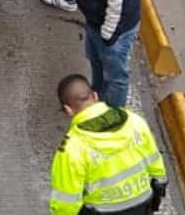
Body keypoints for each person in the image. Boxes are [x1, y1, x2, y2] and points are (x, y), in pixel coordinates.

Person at [50, 74, 168, 215]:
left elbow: (65, 205)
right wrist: (156, 198)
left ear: (68, 110)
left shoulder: (71, 148)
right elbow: (157, 168)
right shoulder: (134, 121)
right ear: (95, 96)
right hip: (142, 205)